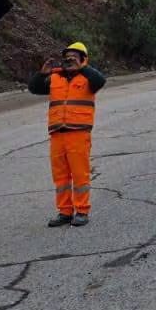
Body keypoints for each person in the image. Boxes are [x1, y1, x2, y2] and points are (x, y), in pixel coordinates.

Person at [28, 41, 106, 226]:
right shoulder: (55, 77)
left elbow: (100, 81)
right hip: (57, 134)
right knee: (61, 177)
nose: (70, 60)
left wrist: (82, 68)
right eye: (67, 57)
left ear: (83, 59)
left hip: (78, 133)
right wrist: (42, 74)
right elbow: (34, 88)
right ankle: (64, 212)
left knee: (80, 174)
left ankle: (82, 211)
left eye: (74, 57)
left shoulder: (88, 77)